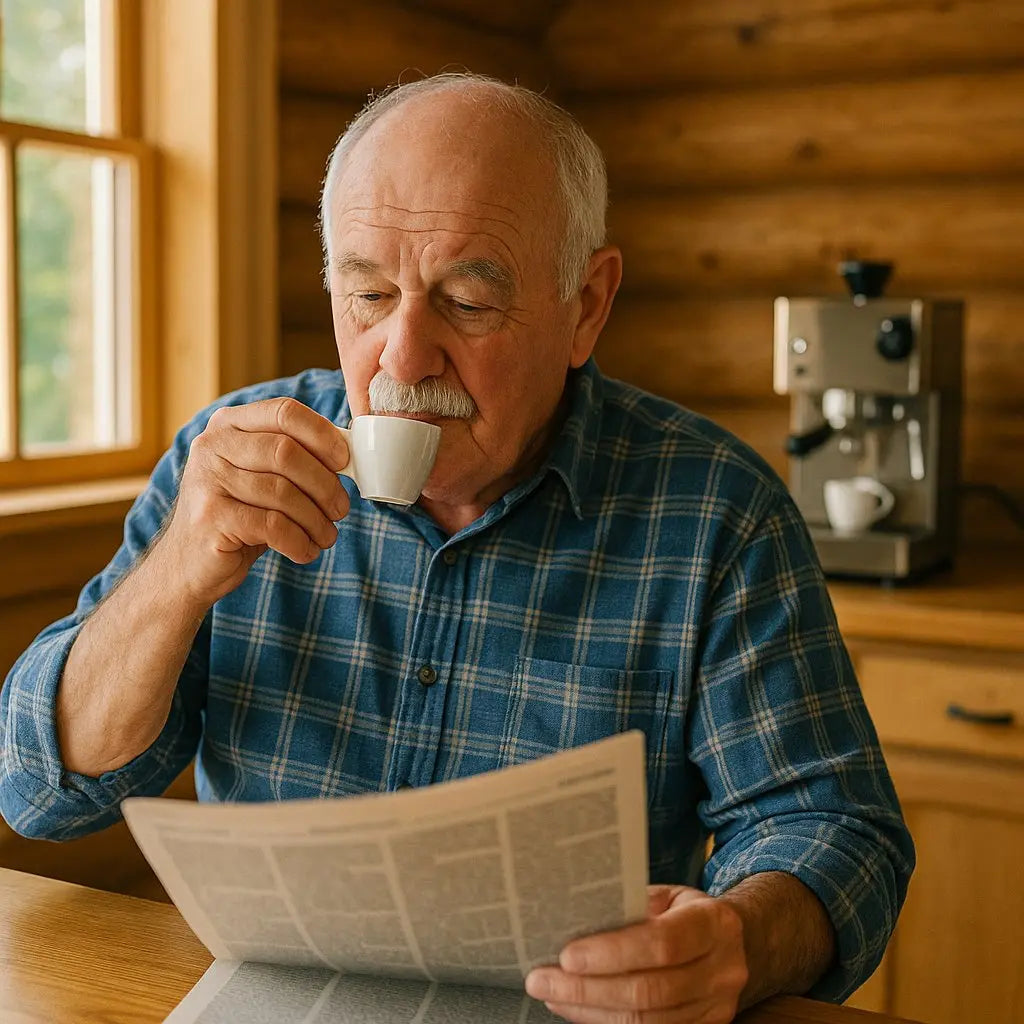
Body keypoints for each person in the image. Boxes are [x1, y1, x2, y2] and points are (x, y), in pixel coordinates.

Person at [0, 73, 913, 1022]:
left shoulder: (716, 511)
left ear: (587, 306)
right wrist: (177, 579)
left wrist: (735, 942)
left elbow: (834, 830)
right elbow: (38, 791)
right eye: (367, 293)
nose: (400, 357)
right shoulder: (229, 462)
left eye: (468, 303)